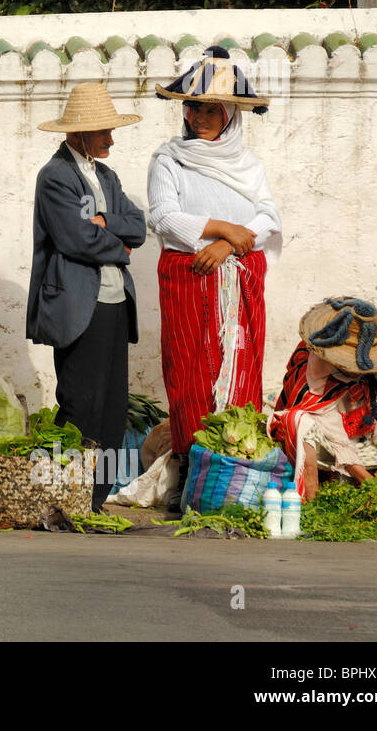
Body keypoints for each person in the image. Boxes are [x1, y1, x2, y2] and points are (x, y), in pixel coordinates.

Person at [147, 45, 280, 481]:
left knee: (240, 365)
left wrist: (226, 247)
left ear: (230, 114)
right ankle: (191, 468)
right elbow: (164, 217)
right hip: (189, 282)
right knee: (188, 372)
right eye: (192, 108)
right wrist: (225, 229)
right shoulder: (169, 160)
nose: (198, 119)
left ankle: (238, 469)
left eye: (209, 110)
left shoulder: (249, 165)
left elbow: (267, 219)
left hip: (236, 282)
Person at [26, 81, 146, 510]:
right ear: (78, 134)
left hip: (115, 305)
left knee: (112, 409)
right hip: (79, 306)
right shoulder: (56, 176)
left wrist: (105, 221)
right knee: (80, 403)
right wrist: (119, 244)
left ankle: (95, 498)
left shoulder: (106, 176)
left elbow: (139, 226)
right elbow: (76, 239)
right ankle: (61, 495)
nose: (110, 139)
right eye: (103, 132)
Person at [270, 297, 377, 501]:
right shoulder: (316, 363)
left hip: (365, 435)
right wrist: (367, 481)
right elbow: (331, 429)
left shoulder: (376, 363)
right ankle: (310, 504)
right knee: (297, 421)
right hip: (330, 443)